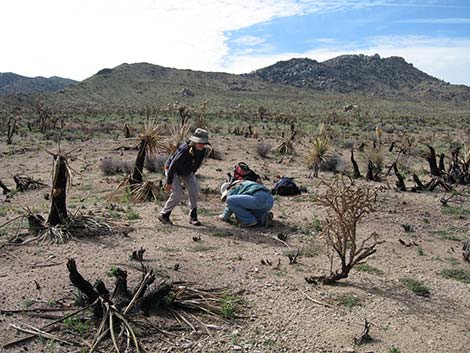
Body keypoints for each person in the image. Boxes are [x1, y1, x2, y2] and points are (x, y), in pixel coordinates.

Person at [158, 128, 210, 226]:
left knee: (194, 190)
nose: (202, 145)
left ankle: (193, 216)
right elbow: (173, 165)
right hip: (172, 170)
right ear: (194, 141)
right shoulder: (185, 149)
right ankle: (164, 214)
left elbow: (196, 165)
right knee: (177, 192)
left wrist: (189, 176)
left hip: (186, 171)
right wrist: (169, 183)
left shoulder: (202, 151)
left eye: (204, 143)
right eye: (200, 142)